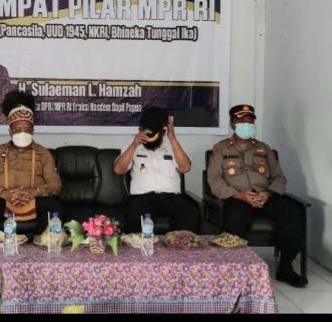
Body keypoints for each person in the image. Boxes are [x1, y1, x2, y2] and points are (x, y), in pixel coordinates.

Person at [207, 104, 308, 288]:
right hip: (238, 198)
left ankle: (285, 268)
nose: (247, 124)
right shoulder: (220, 149)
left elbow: (279, 177)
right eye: (242, 121)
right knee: (235, 218)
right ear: (232, 124)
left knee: (293, 213)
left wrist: (268, 193)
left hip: (265, 196)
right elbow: (214, 179)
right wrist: (238, 195)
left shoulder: (264, 148)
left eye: (250, 121)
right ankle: (237, 271)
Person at [0, 90, 63, 235]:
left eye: (26, 129)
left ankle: (39, 244)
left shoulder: (43, 153)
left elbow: (56, 185)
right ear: (10, 132)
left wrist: (34, 191)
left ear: (32, 131)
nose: (22, 133)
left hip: (34, 199)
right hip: (4, 200)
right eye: (17, 129)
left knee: (56, 209)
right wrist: (4, 193)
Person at [113, 106, 200, 234]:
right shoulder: (133, 145)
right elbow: (118, 170)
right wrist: (134, 145)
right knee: (133, 212)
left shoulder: (172, 145)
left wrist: (173, 139)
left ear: (163, 132)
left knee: (190, 212)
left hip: (170, 197)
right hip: (142, 198)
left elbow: (185, 168)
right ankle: (136, 246)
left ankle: (181, 246)